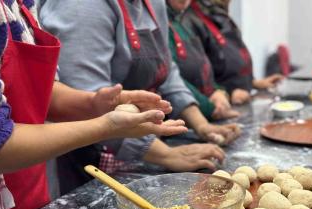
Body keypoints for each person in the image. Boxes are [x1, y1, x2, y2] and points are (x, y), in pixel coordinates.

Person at [0, 0, 188, 209]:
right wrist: (106, 126)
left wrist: (93, 104)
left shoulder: (21, 4)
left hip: (28, 203)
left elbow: (40, 92)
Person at [38, 0, 241, 194]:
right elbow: (88, 101)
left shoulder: (154, 3)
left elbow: (167, 71)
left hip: (141, 149)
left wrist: (201, 124)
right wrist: (166, 154)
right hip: (89, 159)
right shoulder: (81, 6)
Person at [189, 0, 284, 104]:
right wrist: (228, 93)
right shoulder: (192, 19)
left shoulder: (218, 13)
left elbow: (231, 61)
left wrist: (253, 83)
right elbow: (199, 76)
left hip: (241, 99)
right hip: (220, 107)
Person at [167, 0, 239, 120]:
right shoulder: (162, 25)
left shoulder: (182, 23)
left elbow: (204, 67)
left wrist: (219, 92)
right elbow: (171, 80)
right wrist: (210, 107)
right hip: (183, 120)